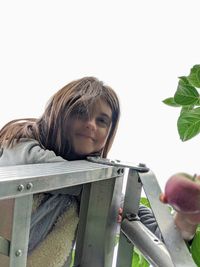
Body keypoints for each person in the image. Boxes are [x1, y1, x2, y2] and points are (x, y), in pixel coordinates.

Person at [0, 76, 198, 266]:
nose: (90, 124)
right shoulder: (21, 139)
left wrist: (186, 219)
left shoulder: (97, 182)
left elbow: (159, 236)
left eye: (102, 121)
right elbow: (31, 164)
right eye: (80, 113)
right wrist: (105, 197)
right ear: (59, 113)